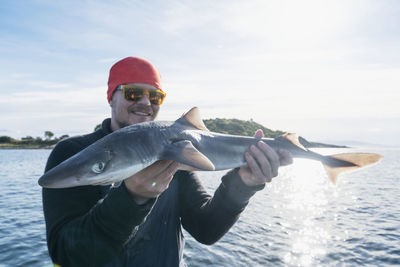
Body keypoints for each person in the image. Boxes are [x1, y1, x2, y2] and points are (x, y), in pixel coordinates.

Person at [42, 57, 292, 266]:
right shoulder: (71, 153)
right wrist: (131, 198)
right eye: (133, 92)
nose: (145, 102)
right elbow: (66, 254)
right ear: (111, 97)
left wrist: (242, 184)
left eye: (155, 96)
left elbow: (206, 229)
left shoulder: (175, 150)